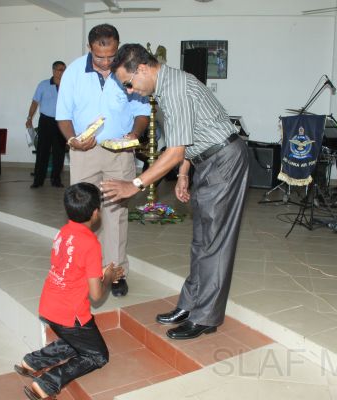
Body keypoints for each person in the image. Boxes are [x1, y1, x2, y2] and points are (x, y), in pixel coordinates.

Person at [102, 44, 249, 340]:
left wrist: (135, 184)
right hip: (206, 160)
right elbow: (188, 138)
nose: (130, 91)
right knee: (201, 240)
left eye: (128, 83)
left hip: (224, 160)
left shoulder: (175, 88)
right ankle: (190, 304)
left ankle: (206, 317)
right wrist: (183, 173)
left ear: (142, 69)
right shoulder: (167, 86)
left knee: (214, 242)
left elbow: (175, 150)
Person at [55, 24, 150, 297]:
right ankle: (90, 271)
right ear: (89, 48)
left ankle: (116, 272)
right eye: (100, 57)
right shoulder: (73, 72)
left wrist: (134, 134)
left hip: (119, 153)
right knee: (84, 213)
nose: (107, 62)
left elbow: (142, 111)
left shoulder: (128, 70)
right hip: (84, 152)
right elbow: (63, 116)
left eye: (111, 56)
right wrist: (72, 140)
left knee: (115, 213)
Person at [14, 182, 124, 400]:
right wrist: (109, 278)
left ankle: (32, 362)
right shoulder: (91, 243)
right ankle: (46, 384)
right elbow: (96, 295)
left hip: (49, 305)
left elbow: (71, 268)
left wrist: (100, 271)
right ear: (96, 212)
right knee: (97, 356)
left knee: (79, 342)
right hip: (70, 314)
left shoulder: (63, 232)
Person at [28, 61, 67, 188]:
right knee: (42, 151)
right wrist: (29, 117)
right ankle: (38, 180)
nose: (62, 72)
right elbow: (35, 102)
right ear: (53, 71)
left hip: (61, 122)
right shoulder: (43, 85)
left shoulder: (68, 85)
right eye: (60, 69)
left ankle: (56, 180)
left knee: (59, 152)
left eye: (64, 69)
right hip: (46, 122)